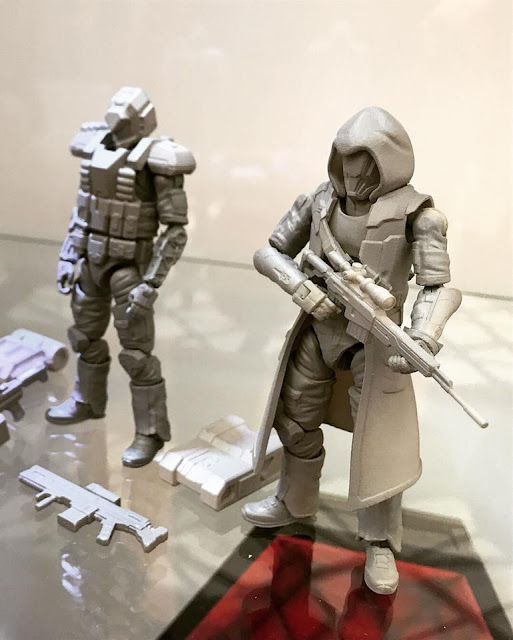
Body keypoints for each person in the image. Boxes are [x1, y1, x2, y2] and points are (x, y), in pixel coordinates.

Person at [242, 106, 461, 594]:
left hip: (376, 341)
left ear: (389, 164)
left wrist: (423, 336)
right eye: (346, 166)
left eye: (366, 168)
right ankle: (295, 501)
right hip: (320, 324)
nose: (354, 179)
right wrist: (300, 286)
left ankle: (379, 542)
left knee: (378, 445)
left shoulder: (420, 216)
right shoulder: (318, 202)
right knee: (295, 418)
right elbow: (269, 252)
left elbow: (438, 287)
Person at [46, 87, 196, 467]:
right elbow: (83, 210)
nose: (118, 124)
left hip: (130, 267)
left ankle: (150, 431)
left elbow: (175, 230)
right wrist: (68, 255)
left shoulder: (159, 160)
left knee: (137, 355)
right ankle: (87, 401)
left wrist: (152, 282)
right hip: (91, 260)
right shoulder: (92, 146)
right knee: (84, 338)